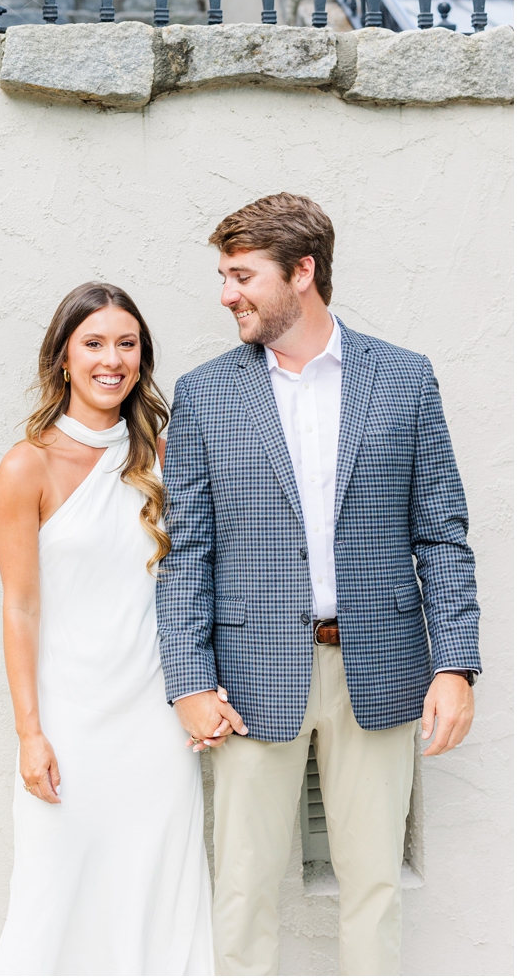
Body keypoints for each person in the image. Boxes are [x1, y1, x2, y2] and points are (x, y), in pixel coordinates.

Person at [157, 193, 480, 976]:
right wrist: (189, 678)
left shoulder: (404, 379)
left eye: (242, 275)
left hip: (381, 668)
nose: (226, 293)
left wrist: (456, 664)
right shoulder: (206, 394)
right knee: (244, 891)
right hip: (247, 678)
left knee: (373, 887)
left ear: (302, 272)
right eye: (225, 275)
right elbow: (186, 552)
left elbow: (441, 531)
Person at [0, 282, 213, 975]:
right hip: (69, 728)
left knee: (159, 906)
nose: (111, 359)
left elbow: (198, 583)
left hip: (153, 726)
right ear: (62, 357)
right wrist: (30, 732)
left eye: (126, 343)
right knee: (51, 905)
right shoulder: (26, 466)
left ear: (142, 359)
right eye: (93, 343)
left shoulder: (167, 460)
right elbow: (20, 608)